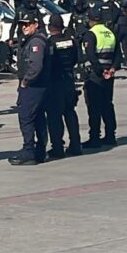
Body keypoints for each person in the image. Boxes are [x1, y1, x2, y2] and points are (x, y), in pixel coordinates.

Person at [9, 11, 51, 166]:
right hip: (38, 86)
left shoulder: (36, 42)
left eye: (28, 24)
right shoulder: (31, 40)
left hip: (34, 86)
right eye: (22, 24)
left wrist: (26, 81)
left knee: (26, 117)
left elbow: (35, 66)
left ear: (36, 24)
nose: (24, 27)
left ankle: (29, 151)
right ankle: (39, 151)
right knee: (38, 117)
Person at [45, 13, 81, 158]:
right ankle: (76, 145)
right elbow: (76, 59)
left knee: (54, 116)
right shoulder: (71, 41)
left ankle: (58, 148)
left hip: (55, 83)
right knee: (70, 113)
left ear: (49, 27)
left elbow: (48, 64)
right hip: (69, 81)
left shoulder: (49, 43)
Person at [82, 8, 118, 148]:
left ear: (90, 20)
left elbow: (91, 56)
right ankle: (110, 135)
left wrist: (99, 70)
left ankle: (95, 137)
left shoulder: (91, 34)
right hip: (109, 75)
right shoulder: (110, 33)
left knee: (94, 107)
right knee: (107, 104)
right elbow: (117, 54)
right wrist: (112, 69)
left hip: (95, 76)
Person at [115, 4, 127, 70]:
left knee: (117, 44)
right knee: (125, 45)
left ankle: (119, 59)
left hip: (120, 28)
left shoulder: (119, 11)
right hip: (126, 28)